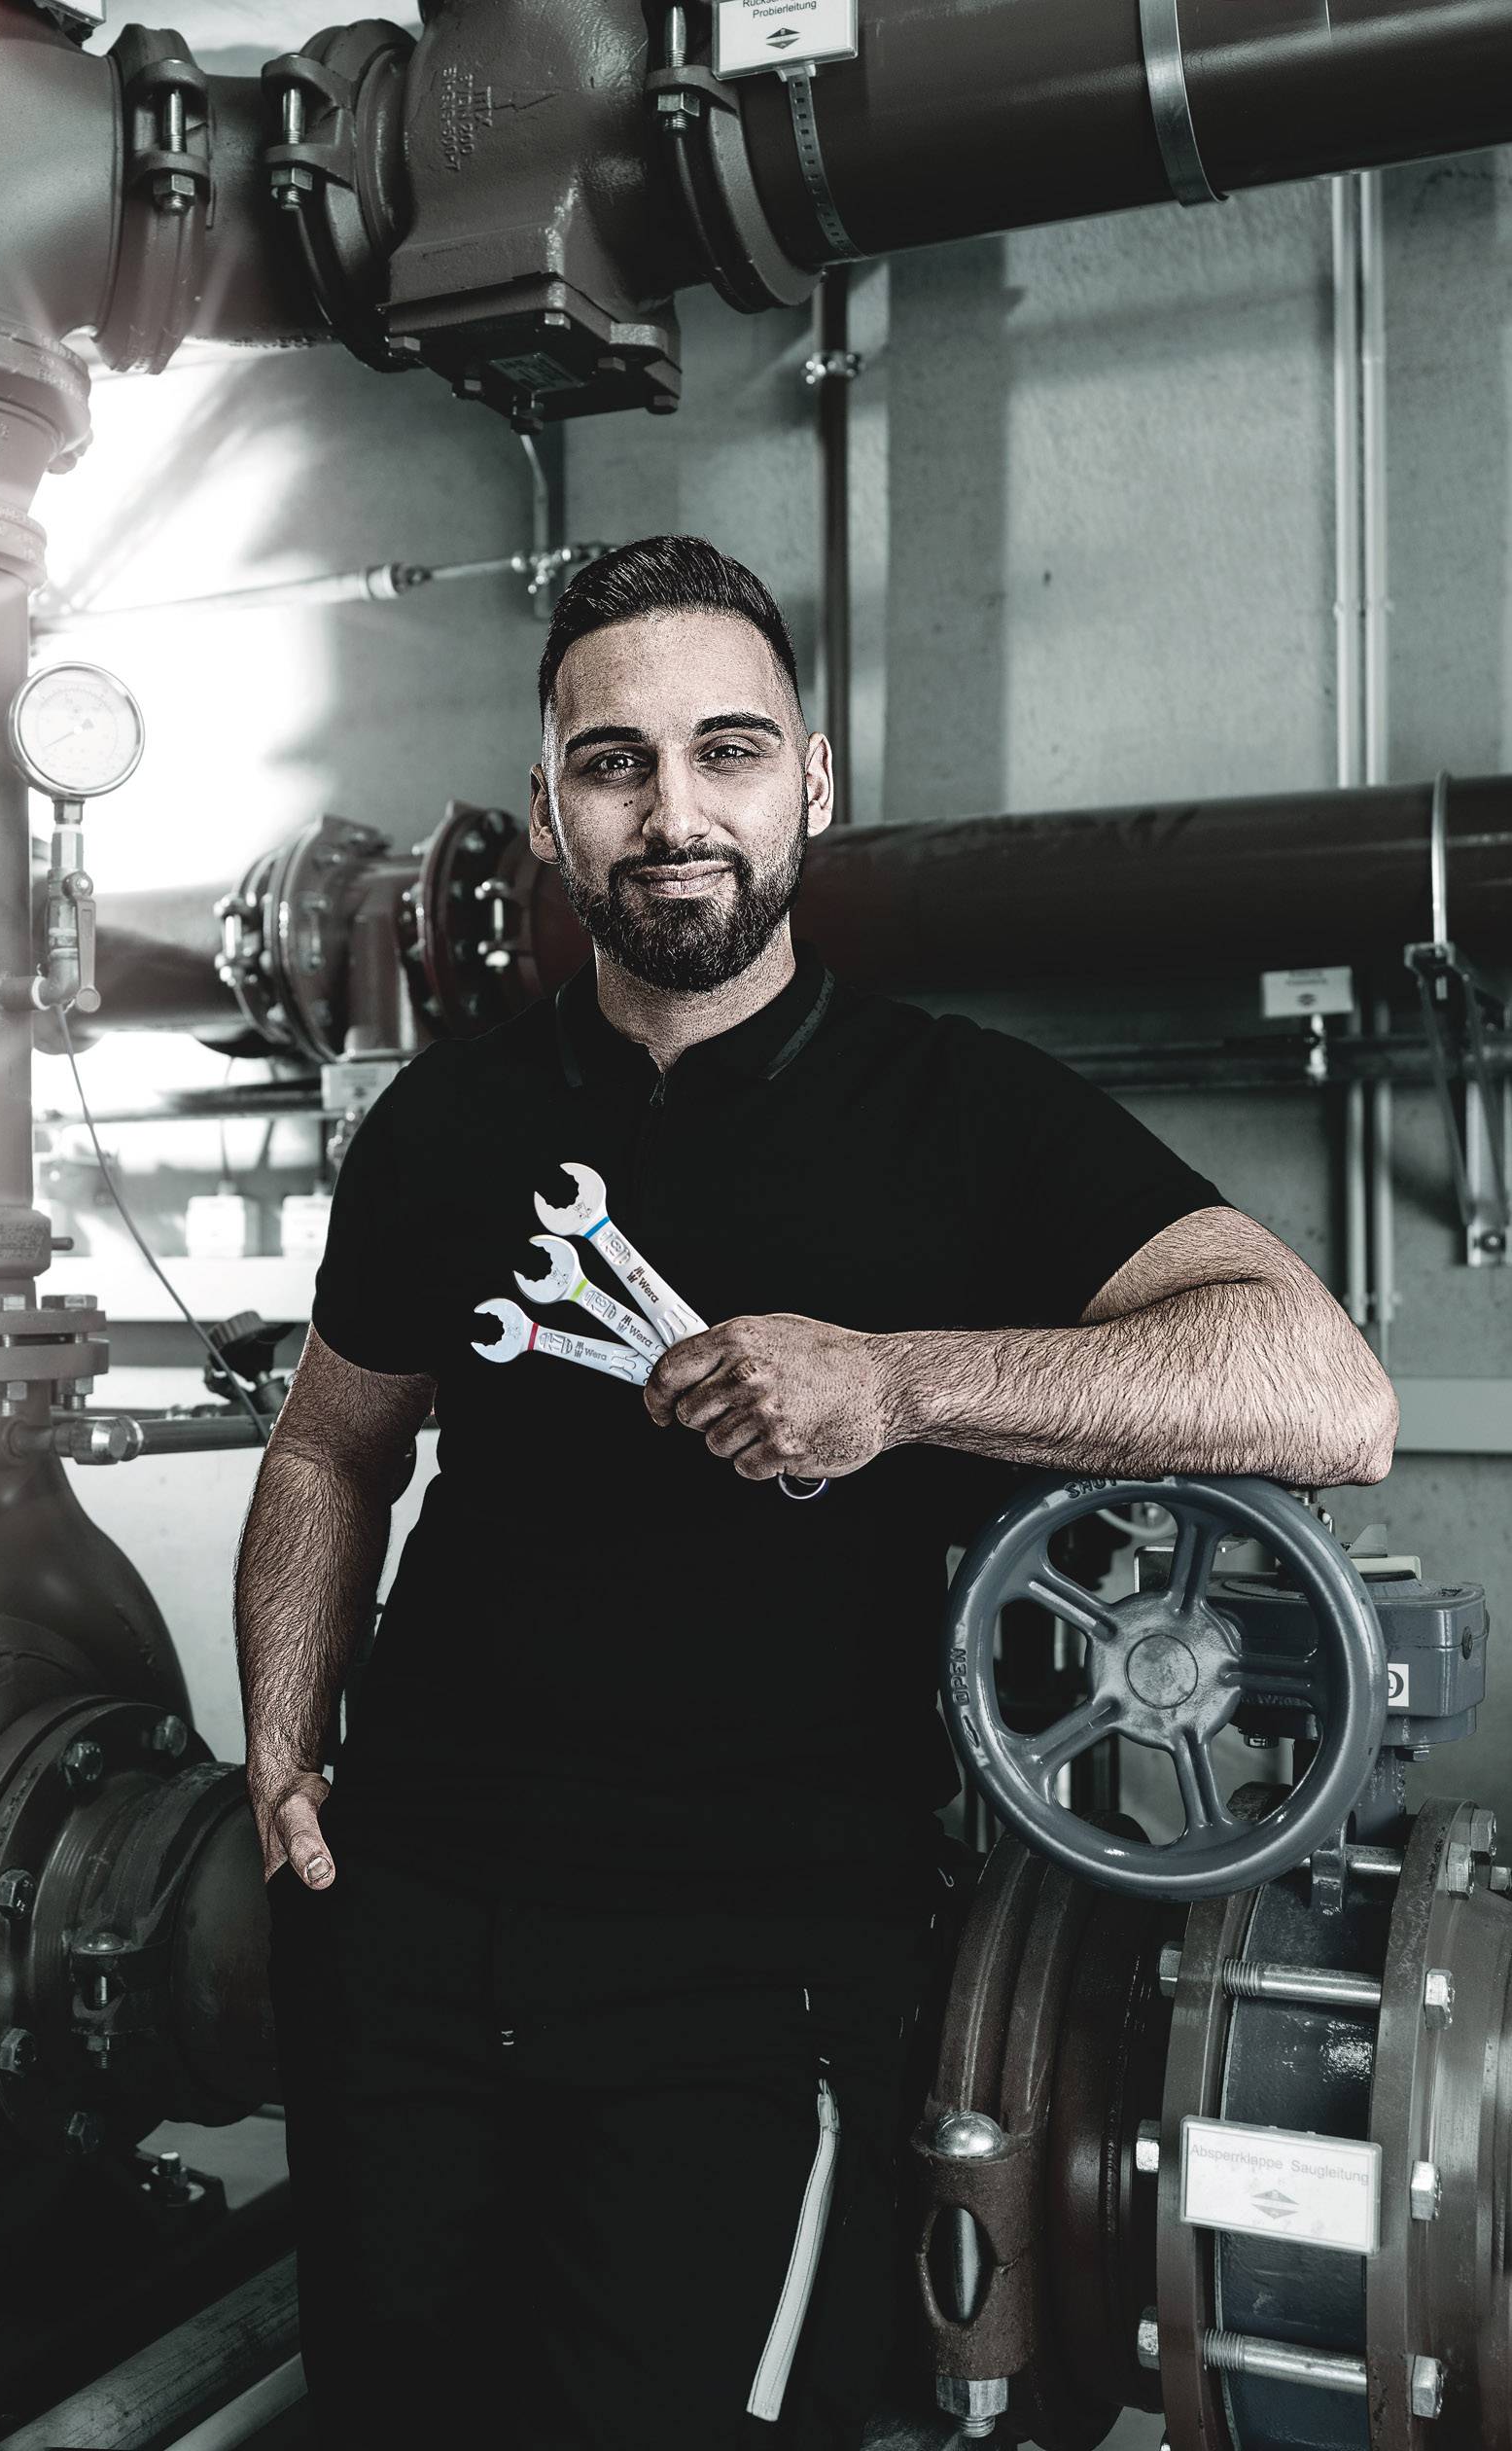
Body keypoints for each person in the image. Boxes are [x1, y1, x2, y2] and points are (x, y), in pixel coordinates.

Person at [235, 535, 1398, 2451]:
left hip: (754, 1970)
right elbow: (331, 1445)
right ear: (546, 806)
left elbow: (1323, 1391)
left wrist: (898, 1378)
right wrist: (282, 1725)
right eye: (613, 764)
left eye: (726, 751)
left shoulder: (964, 1115)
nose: (672, 811)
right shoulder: (441, 1124)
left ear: (814, 782)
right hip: (410, 1931)